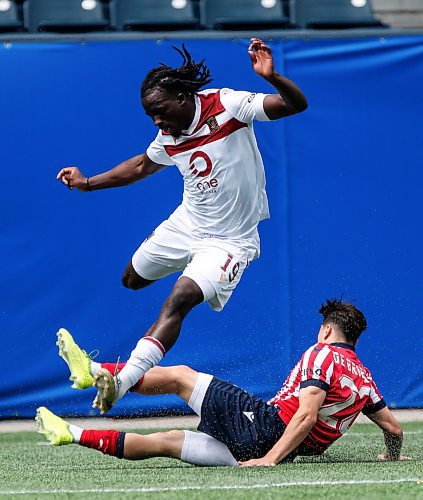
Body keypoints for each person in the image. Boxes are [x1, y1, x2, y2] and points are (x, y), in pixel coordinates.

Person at [55, 38, 308, 415]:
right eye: (150, 116)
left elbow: (296, 105)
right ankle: (187, 274)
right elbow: (142, 165)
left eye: (159, 111)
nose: (156, 121)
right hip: (186, 224)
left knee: (179, 299)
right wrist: (88, 182)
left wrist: (272, 77)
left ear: (180, 96)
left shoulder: (229, 105)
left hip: (229, 242)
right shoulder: (169, 136)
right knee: (131, 279)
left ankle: (121, 381)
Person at [37, 299, 409, 466]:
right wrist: (391, 456)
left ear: (327, 329)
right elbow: (394, 428)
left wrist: (269, 460)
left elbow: (306, 416)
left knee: (181, 376)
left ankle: (93, 369)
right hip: (279, 448)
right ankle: (72, 432)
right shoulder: (365, 378)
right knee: (167, 443)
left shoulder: (322, 353)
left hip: (267, 431)